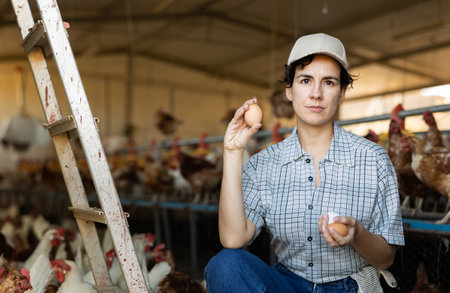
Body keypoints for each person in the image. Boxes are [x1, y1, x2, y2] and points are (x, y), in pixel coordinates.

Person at [204, 33, 405, 292]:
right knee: (226, 264)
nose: (316, 94)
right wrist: (232, 152)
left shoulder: (373, 160)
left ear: (342, 93)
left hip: (351, 286)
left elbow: (386, 258)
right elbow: (233, 238)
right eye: (305, 80)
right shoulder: (264, 164)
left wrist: (357, 235)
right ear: (289, 89)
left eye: (329, 82)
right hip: (288, 283)